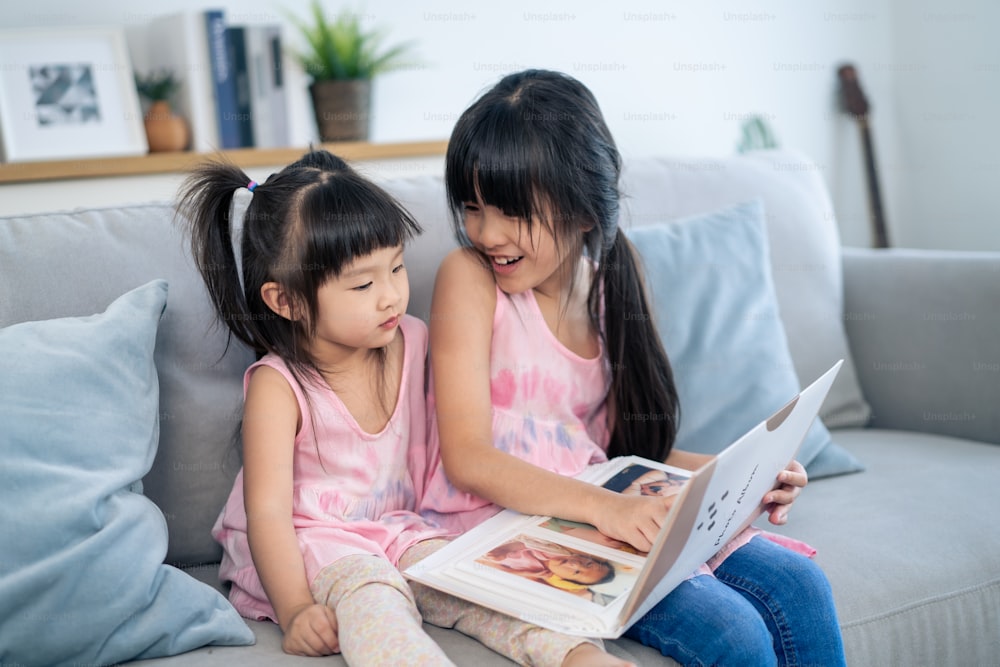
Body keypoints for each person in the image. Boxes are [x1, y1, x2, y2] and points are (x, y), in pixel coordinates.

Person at [420, 70, 847, 666]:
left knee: (802, 587)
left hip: (604, 508)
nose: (487, 233)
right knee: (733, 634)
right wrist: (606, 509)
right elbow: (468, 457)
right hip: (505, 524)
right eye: (472, 207)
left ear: (585, 211)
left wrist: (754, 474)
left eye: (511, 212)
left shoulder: (611, 287)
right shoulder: (468, 279)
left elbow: (627, 449)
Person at [178, 149, 631, 667]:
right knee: (376, 601)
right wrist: (297, 607)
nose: (392, 296)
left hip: (397, 531)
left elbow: (464, 437)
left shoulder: (412, 340)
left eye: (396, 267)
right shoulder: (278, 387)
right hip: (314, 543)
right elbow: (268, 514)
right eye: (364, 284)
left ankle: (577, 656)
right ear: (287, 301)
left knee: (485, 585)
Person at [478, 536, 616, 601]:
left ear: (564, 579)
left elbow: (496, 569)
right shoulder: (557, 551)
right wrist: (511, 547)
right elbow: (530, 541)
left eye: (577, 572)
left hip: (482, 553)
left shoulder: (534, 573)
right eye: (588, 564)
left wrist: (522, 572)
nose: (577, 565)